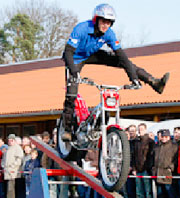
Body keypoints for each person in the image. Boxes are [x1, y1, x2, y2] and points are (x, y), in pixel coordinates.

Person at [61, 4, 169, 141]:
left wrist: (133, 78)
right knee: (71, 95)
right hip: (75, 58)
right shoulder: (81, 28)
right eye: (103, 21)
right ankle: (66, 129)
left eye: (109, 23)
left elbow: (122, 56)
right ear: (96, 19)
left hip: (93, 54)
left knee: (123, 62)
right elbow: (68, 52)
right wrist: (74, 72)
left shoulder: (109, 34)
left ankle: (154, 82)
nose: (106, 25)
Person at [152, 129, 178, 198]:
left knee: (170, 195)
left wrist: (171, 168)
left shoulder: (174, 146)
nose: (163, 138)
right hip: (158, 173)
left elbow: (175, 159)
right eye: (162, 136)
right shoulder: (157, 147)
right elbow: (153, 159)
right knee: (160, 195)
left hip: (168, 174)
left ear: (168, 137)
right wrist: (153, 170)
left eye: (165, 136)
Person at [132, 123, 155, 198]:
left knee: (148, 192)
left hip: (146, 170)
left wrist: (149, 168)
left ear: (145, 130)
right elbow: (133, 156)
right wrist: (134, 168)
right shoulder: (136, 141)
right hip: (137, 170)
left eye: (142, 129)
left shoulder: (150, 141)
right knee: (139, 192)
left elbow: (151, 156)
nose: (140, 131)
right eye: (139, 129)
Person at [2, 134, 24, 198]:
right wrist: (3, 166)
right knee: (9, 188)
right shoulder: (8, 149)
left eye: (11, 140)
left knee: (11, 189)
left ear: (14, 140)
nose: (10, 142)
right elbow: (4, 160)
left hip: (13, 172)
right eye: (9, 140)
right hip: (7, 171)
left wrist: (13, 166)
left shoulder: (17, 148)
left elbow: (19, 160)